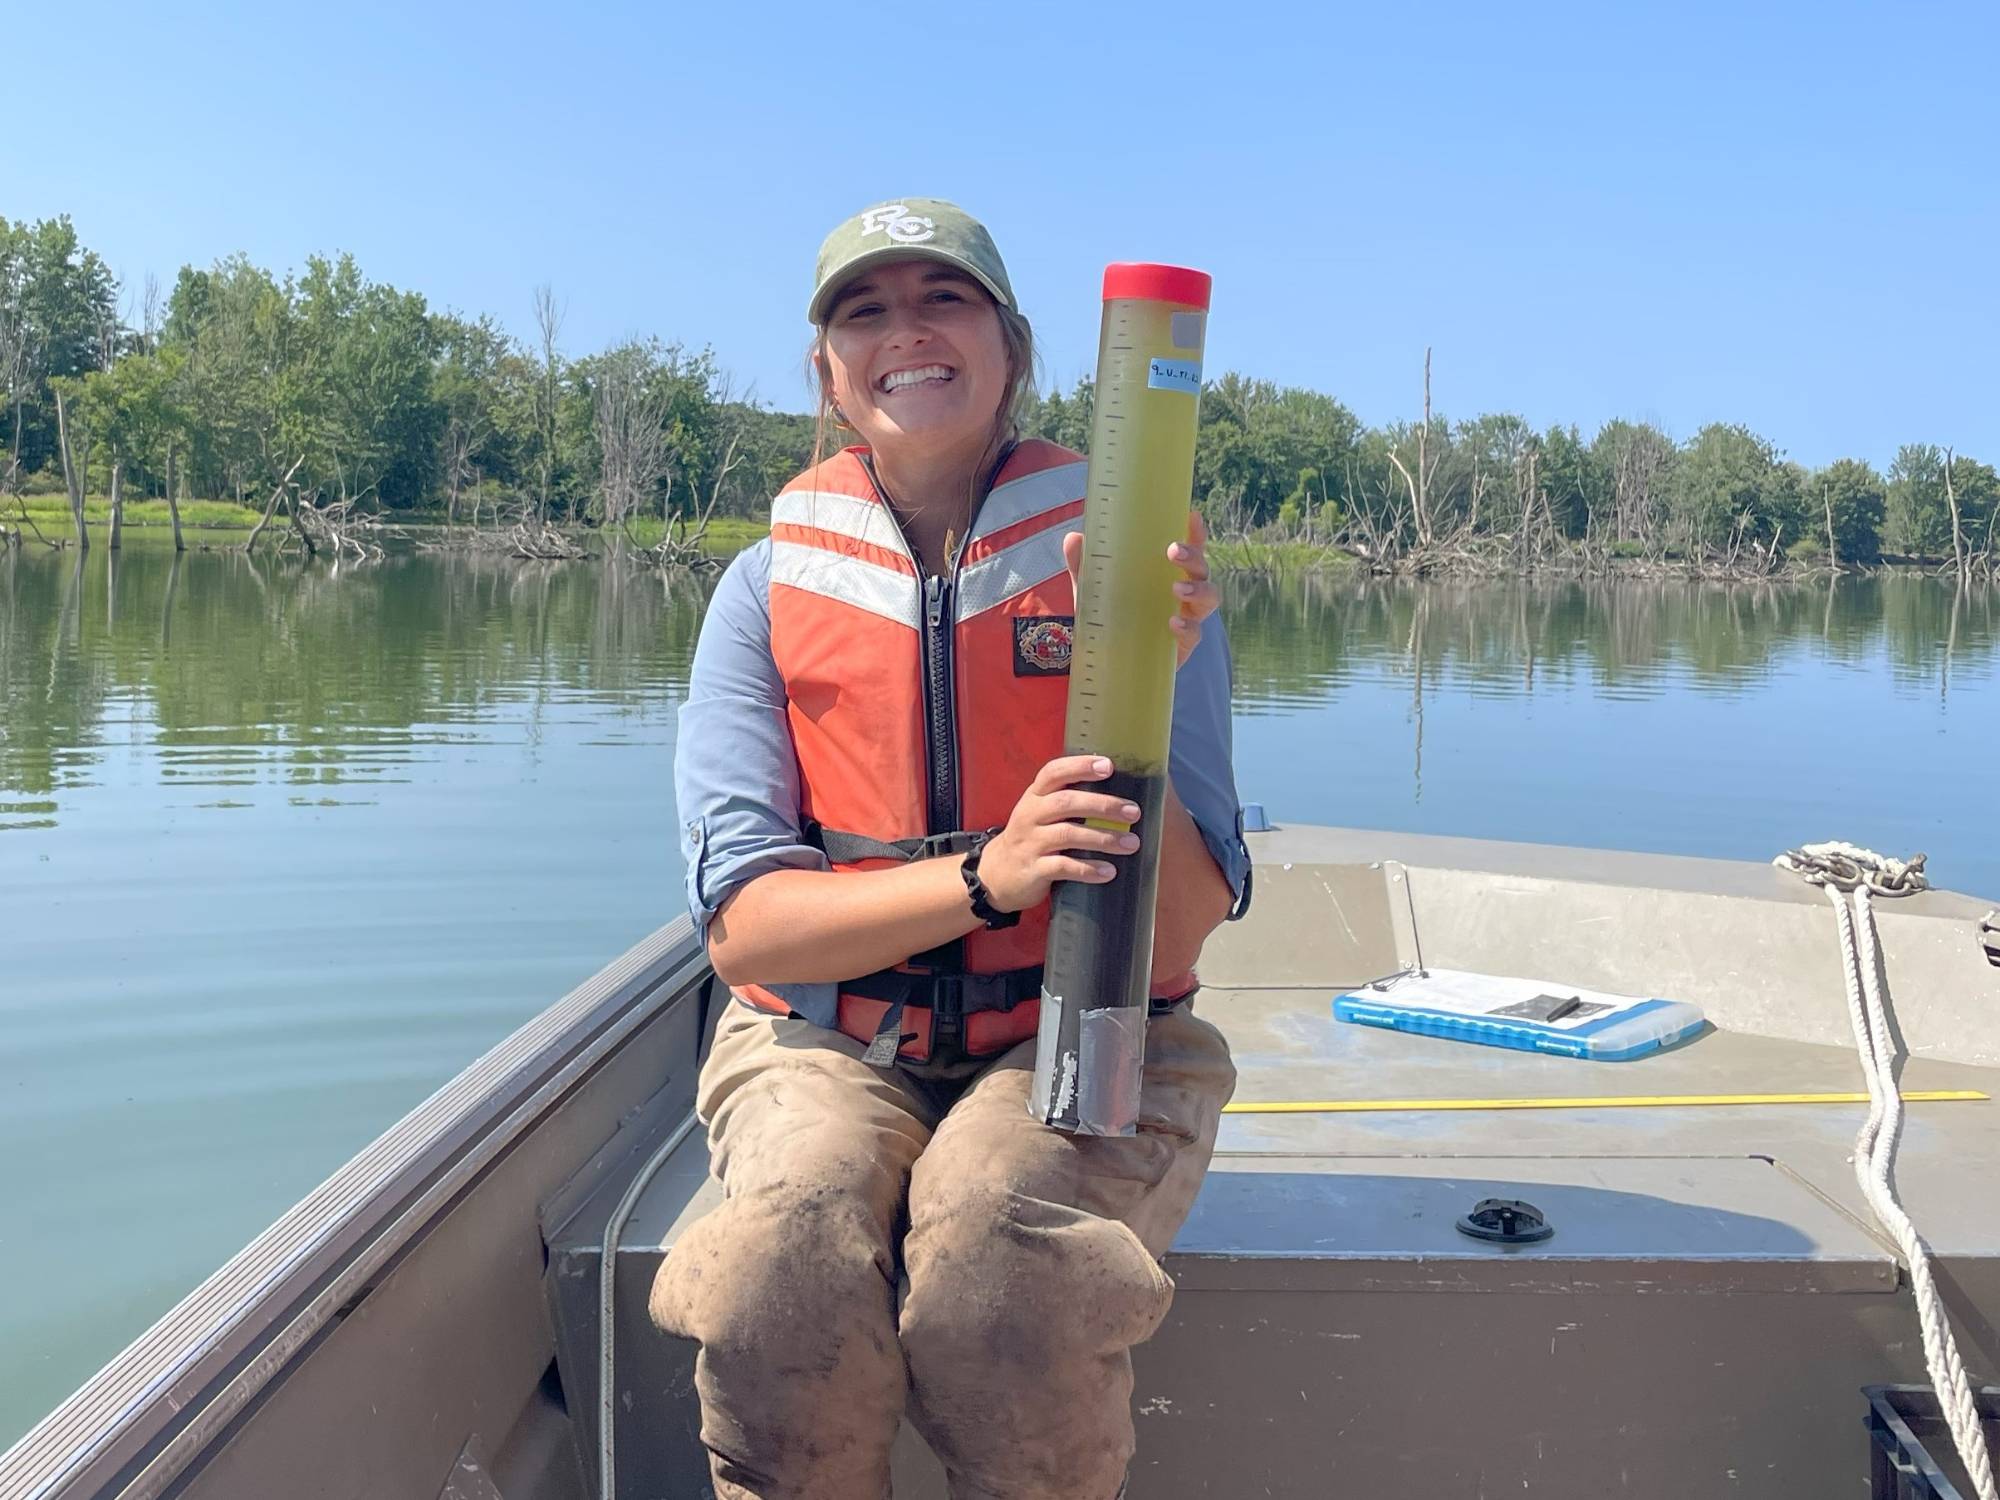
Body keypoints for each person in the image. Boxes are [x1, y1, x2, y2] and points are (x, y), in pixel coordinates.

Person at [651, 197, 1251, 1500]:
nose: (904, 333)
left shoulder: (1139, 567)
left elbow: (1192, 924)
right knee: (774, 1269)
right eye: (864, 311)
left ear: (1011, 346)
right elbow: (748, 930)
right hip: (821, 1039)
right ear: (825, 370)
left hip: (1079, 1030)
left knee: (999, 1261)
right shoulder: (760, 592)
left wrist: (1159, 664)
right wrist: (988, 877)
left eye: (943, 300)